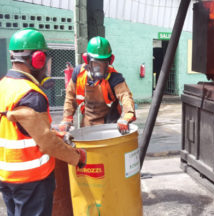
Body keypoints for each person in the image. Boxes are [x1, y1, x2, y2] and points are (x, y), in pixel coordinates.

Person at [0, 28, 87, 216]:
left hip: (6, 176)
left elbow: (21, 129)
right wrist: (77, 157)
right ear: (37, 59)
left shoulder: (4, 85)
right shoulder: (31, 95)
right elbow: (46, 143)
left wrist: (55, 132)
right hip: (31, 180)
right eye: (45, 60)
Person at [59, 36, 136, 134]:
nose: (99, 68)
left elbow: (125, 96)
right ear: (87, 60)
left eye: (103, 64)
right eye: (96, 64)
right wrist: (67, 118)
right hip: (87, 123)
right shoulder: (79, 73)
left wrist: (127, 117)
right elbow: (70, 96)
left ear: (110, 61)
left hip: (110, 124)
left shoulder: (114, 78)